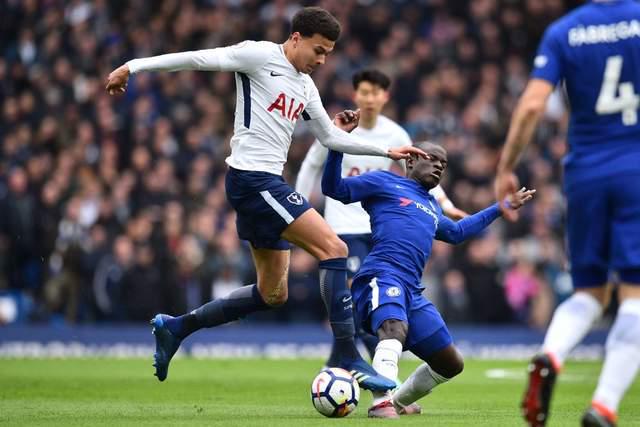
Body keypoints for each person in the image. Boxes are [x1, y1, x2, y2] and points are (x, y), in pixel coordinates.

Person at [105, 6, 427, 392]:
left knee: (272, 293)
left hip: (264, 184)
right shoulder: (258, 55)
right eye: (318, 50)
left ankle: (176, 327)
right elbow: (198, 59)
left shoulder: (305, 85)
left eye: (328, 54)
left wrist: (387, 152)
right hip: (253, 179)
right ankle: (346, 353)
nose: (322, 61)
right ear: (296, 38)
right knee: (335, 249)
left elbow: (329, 137)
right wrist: (133, 66)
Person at [494, 1, 640, 426]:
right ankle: (603, 406)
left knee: (589, 291)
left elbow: (532, 105)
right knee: (635, 293)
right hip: (636, 168)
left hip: (584, 173)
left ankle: (551, 354)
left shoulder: (564, 31)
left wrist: (506, 167)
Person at [323, 141, 535, 418]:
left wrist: (501, 207)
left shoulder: (432, 205)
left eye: (443, 164)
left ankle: (398, 400)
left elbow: (457, 232)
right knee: (393, 328)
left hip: (412, 291)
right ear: (410, 160)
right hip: (382, 275)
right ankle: (381, 402)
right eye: (432, 158)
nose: (438, 166)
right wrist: (336, 146)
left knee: (451, 363)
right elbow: (334, 188)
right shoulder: (383, 181)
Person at [296, 69, 466, 372]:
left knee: (357, 301)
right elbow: (311, 164)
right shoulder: (340, 129)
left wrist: (447, 205)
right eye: (364, 92)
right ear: (355, 95)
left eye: (375, 93)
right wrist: (297, 207)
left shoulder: (395, 134)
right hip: (342, 226)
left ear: (385, 97)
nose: (369, 98)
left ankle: (340, 363)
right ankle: (372, 365)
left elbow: (422, 168)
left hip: (377, 227)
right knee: (356, 296)